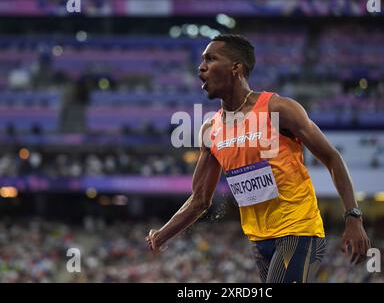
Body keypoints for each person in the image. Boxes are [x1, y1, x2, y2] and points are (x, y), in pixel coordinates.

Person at [146, 34, 371, 283]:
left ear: (236, 68)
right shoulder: (211, 130)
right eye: (202, 60)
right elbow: (200, 200)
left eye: (210, 59)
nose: (201, 67)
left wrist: (353, 217)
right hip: (259, 240)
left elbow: (332, 158)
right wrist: (161, 235)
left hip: (298, 231)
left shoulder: (278, 109)